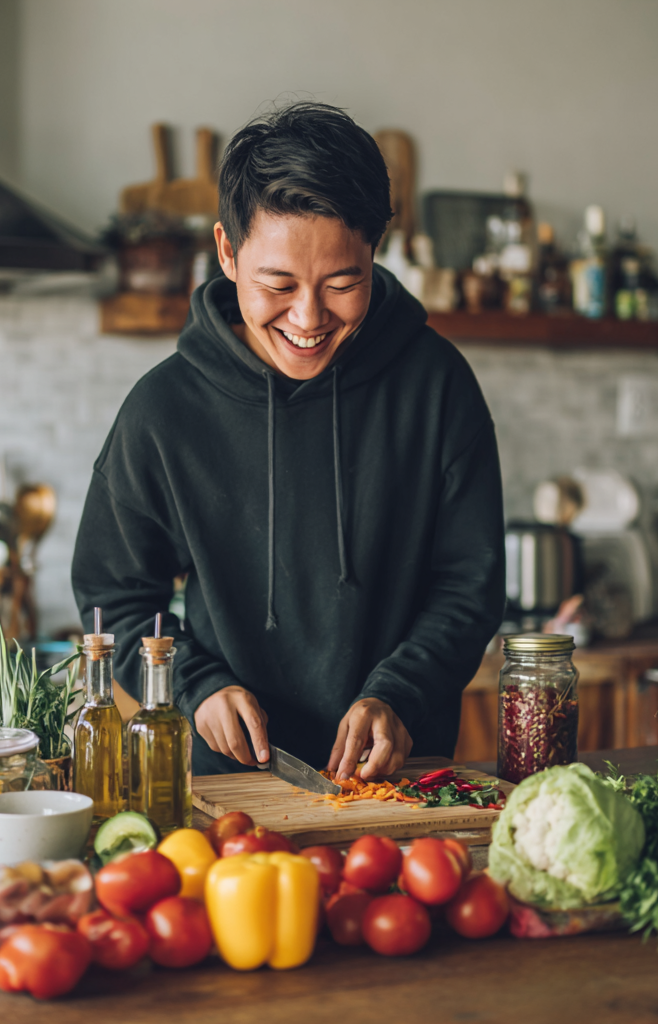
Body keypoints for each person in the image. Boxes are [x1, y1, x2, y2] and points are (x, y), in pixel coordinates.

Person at [72, 102, 505, 780]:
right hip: (229, 791)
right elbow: (117, 594)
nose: (308, 318)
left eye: (343, 284)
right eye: (278, 284)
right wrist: (196, 685)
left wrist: (399, 693)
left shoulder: (436, 385)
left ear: (374, 254)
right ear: (226, 252)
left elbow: (468, 585)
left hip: (396, 781)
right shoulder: (164, 411)